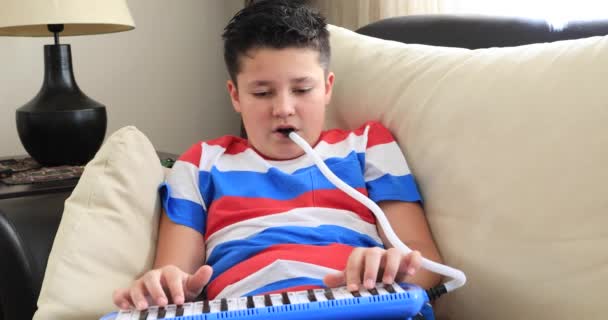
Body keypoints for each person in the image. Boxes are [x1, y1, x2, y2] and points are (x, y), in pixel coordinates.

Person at [113, 0, 442, 311]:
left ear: (327, 88)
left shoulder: (368, 146)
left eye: (302, 89)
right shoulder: (201, 163)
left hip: (360, 305)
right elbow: (175, 274)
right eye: (262, 92)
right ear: (236, 95)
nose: (283, 109)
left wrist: (391, 274)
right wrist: (164, 286)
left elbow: (425, 262)